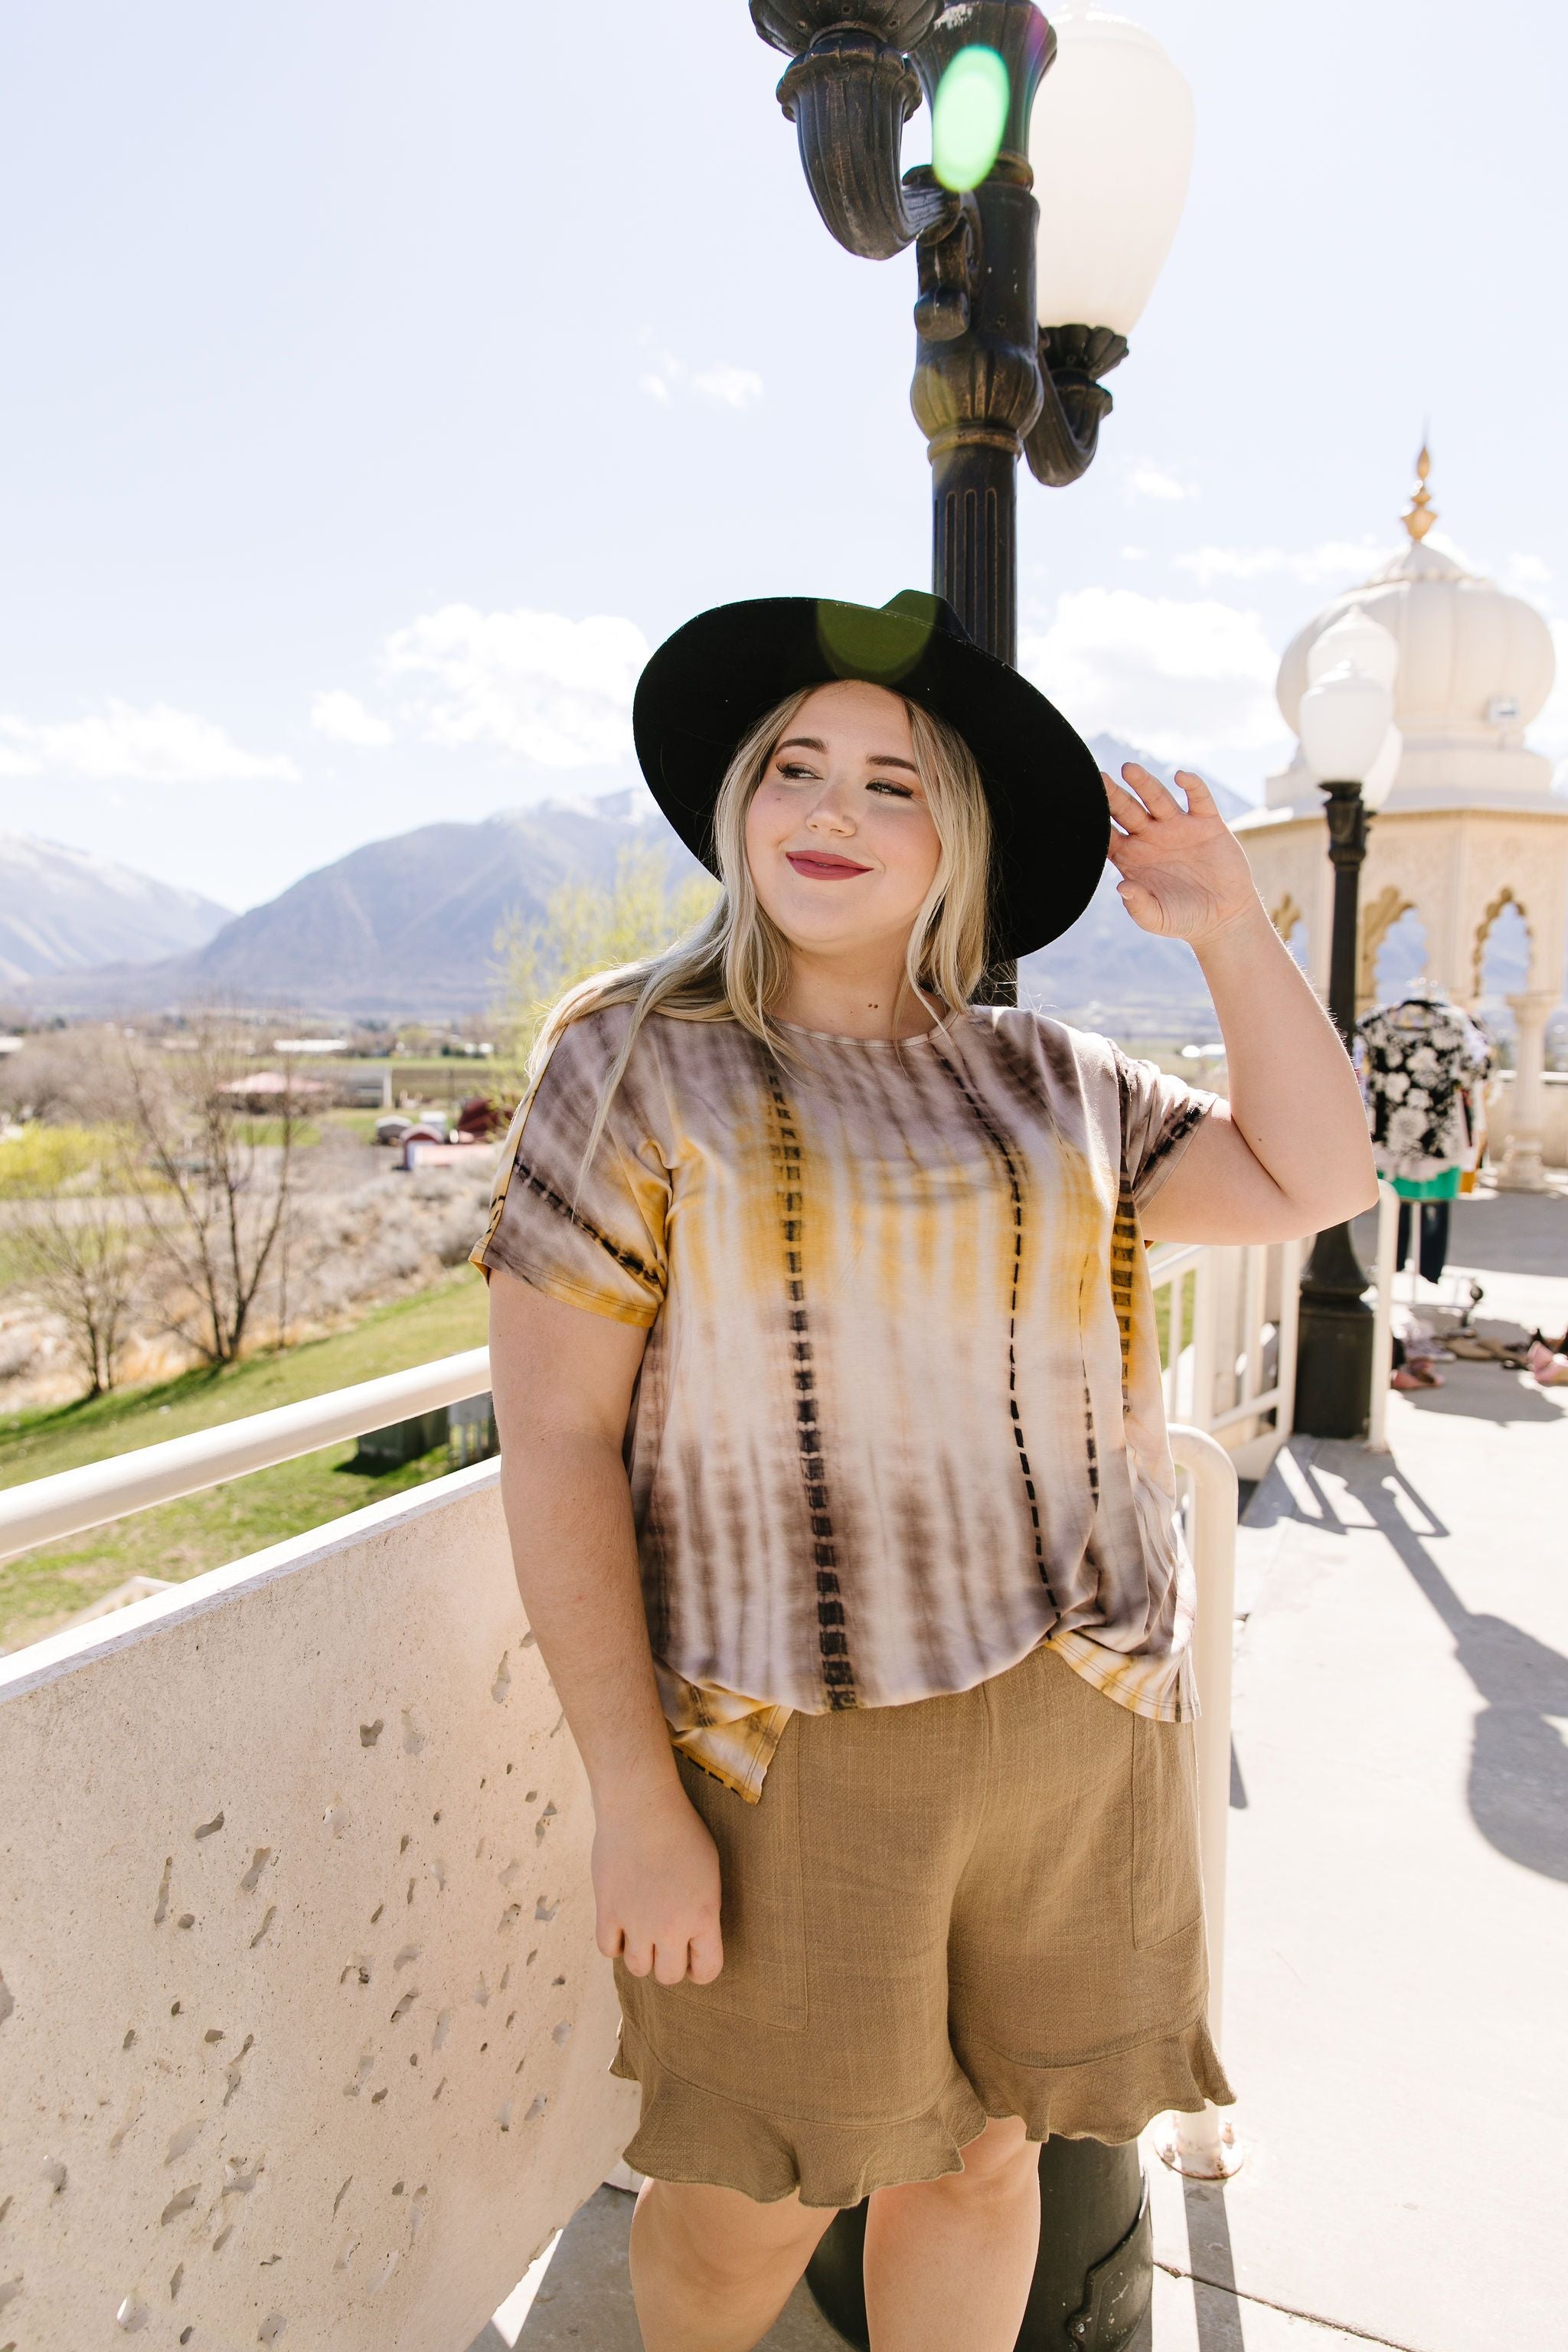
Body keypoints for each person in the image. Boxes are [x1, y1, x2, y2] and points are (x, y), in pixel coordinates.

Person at [475, 593, 1378, 2352]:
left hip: (1075, 1713)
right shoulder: (638, 1060)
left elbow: (1314, 1175)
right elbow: (561, 1441)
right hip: (787, 1740)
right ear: (738, 805)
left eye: (891, 784)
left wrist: (1229, 932)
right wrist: (633, 1799)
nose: (829, 811)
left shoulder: (1051, 1080)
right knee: (750, 2199)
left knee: (981, 2167)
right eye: (793, 769)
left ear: (956, 838)